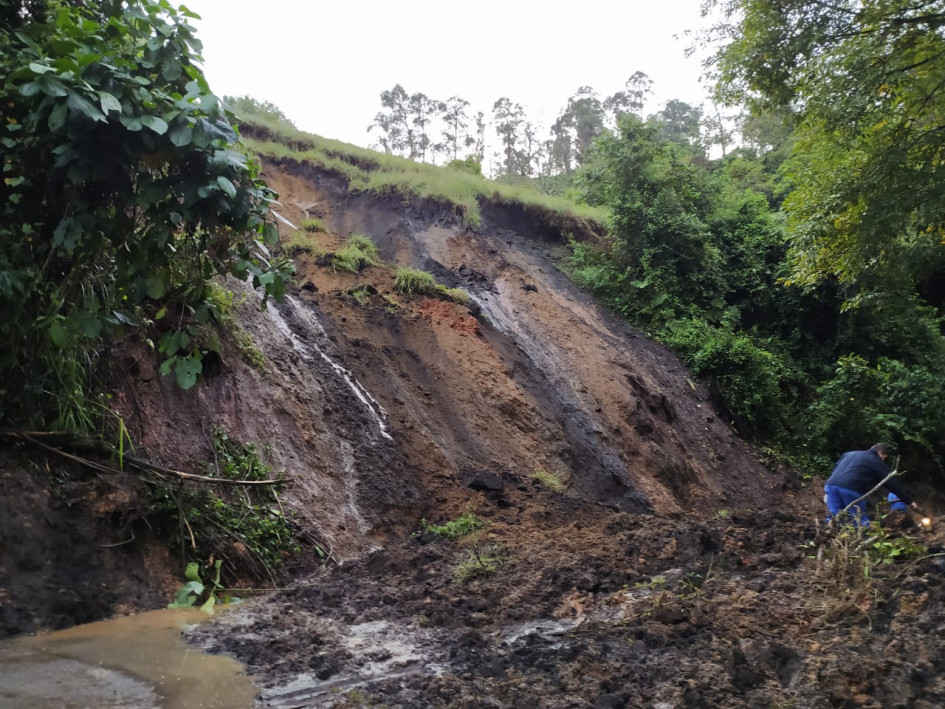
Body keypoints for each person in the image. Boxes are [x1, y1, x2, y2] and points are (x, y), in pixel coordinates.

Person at [824, 443, 919, 527]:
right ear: (880, 453)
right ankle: (862, 543)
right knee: (860, 521)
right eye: (884, 458)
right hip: (850, 490)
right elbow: (891, 482)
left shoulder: (849, 454)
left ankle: (830, 539)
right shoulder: (875, 460)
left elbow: (836, 468)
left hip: (831, 485)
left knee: (834, 518)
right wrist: (909, 501)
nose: (883, 460)